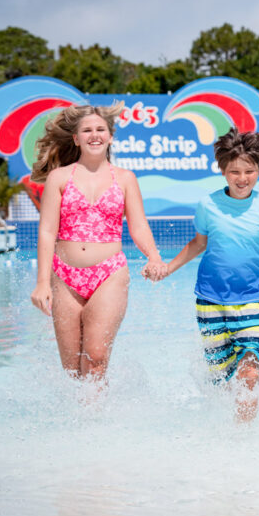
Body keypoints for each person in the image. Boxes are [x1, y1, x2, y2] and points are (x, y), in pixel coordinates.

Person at [152, 129, 259, 423]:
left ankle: (244, 435)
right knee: (221, 380)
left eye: (249, 171)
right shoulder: (208, 205)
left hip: (251, 303)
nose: (242, 178)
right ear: (222, 170)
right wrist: (168, 268)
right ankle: (223, 431)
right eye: (234, 171)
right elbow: (198, 244)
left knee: (249, 372)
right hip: (210, 302)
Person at [29, 103, 167, 382]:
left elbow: (138, 225)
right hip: (65, 277)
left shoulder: (126, 178)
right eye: (87, 130)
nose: (95, 135)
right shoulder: (59, 177)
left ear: (110, 136)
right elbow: (46, 232)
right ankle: (80, 422)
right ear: (76, 138)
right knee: (71, 369)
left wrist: (153, 256)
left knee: (95, 359)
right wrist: (42, 282)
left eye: (100, 129)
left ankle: (96, 423)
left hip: (109, 273)